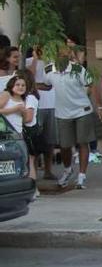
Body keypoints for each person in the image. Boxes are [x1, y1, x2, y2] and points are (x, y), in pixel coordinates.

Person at [37, 44, 102, 189]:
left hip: (82, 110)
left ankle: (81, 176)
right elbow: (47, 86)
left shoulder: (78, 69)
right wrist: (33, 85)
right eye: (61, 54)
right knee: (65, 145)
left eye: (67, 54)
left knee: (83, 142)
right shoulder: (49, 69)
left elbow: (92, 85)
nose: (65, 56)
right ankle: (68, 170)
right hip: (62, 112)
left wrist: (99, 106)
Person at [26, 46, 59, 180]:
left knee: (50, 140)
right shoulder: (28, 60)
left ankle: (48, 170)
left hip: (52, 104)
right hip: (37, 105)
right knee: (35, 138)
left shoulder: (53, 62)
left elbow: (51, 83)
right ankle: (32, 171)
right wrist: (34, 59)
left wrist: (38, 85)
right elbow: (29, 78)